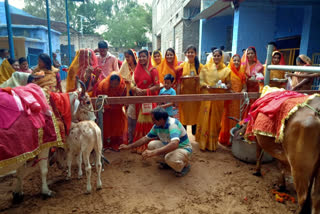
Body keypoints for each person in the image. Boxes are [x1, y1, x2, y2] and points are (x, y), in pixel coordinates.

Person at [119, 107, 192, 177]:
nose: (152, 121)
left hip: (183, 148)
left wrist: (154, 152)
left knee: (169, 158)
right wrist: (128, 146)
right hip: (171, 147)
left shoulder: (172, 124)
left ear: (161, 119)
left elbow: (174, 144)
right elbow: (145, 139)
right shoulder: (157, 125)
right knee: (151, 144)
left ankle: (185, 166)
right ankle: (169, 163)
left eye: (154, 120)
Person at [196, 49, 231, 151]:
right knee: (205, 118)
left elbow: (229, 84)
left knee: (215, 120)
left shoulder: (226, 70)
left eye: (218, 56)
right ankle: (203, 143)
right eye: (214, 56)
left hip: (218, 98)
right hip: (207, 96)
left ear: (221, 57)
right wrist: (205, 85)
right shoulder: (206, 68)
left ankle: (212, 144)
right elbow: (201, 80)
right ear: (212, 56)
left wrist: (225, 86)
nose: (216, 57)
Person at [131, 49, 160, 153]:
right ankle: (140, 144)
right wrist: (136, 89)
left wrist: (146, 91)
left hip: (149, 99)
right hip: (139, 99)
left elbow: (157, 86)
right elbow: (132, 84)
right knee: (140, 121)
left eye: (144, 56)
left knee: (150, 121)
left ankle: (150, 145)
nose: (142, 58)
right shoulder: (136, 70)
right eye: (140, 56)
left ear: (148, 57)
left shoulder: (153, 70)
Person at [219, 54, 246, 146]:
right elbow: (224, 85)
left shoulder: (242, 73)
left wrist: (241, 92)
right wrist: (231, 92)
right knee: (227, 118)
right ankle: (226, 138)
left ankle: (235, 138)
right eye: (234, 60)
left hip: (238, 101)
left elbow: (244, 87)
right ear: (231, 61)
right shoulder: (228, 71)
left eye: (238, 60)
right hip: (229, 99)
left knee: (237, 118)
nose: (236, 62)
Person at [96, 72, 128, 151]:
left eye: (116, 83)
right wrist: (106, 106)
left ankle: (115, 144)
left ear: (119, 82)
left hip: (117, 111)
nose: (114, 85)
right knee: (106, 127)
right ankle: (105, 144)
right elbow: (98, 97)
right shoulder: (102, 86)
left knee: (117, 127)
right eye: (112, 83)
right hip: (106, 111)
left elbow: (124, 99)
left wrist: (117, 105)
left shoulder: (123, 87)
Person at [178, 45, 203, 135]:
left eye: (192, 52)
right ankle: (183, 134)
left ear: (195, 54)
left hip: (195, 95)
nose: (190, 54)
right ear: (185, 54)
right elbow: (177, 78)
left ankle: (194, 132)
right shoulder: (181, 66)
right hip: (184, 95)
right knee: (184, 115)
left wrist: (198, 79)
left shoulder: (200, 66)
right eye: (188, 52)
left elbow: (204, 79)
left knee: (195, 114)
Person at [119, 49, 138, 144]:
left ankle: (138, 137)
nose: (127, 59)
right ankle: (130, 138)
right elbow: (120, 78)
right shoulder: (124, 65)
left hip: (138, 92)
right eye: (125, 57)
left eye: (128, 57)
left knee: (139, 116)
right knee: (130, 116)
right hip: (127, 92)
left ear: (133, 57)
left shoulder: (139, 65)